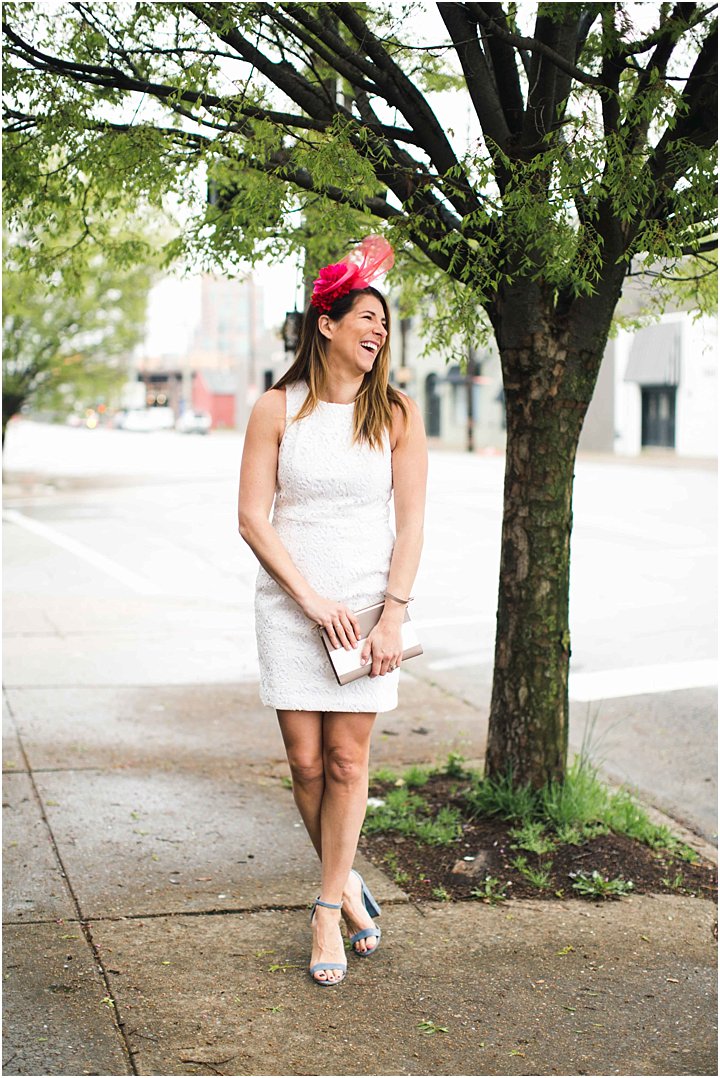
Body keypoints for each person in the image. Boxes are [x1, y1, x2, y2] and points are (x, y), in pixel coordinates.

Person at [238, 235, 427, 986]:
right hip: (294, 608)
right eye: (367, 318)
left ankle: (323, 908)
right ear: (327, 323)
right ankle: (346, 879)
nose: (378, 332)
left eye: (384, 323)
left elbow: (411, 525)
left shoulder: (398, 415)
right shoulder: (276, 408)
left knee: (348, 760)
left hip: (370, 611)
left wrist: (393, 616)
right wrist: (312, 602)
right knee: (305, 762)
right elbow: (254, 518)